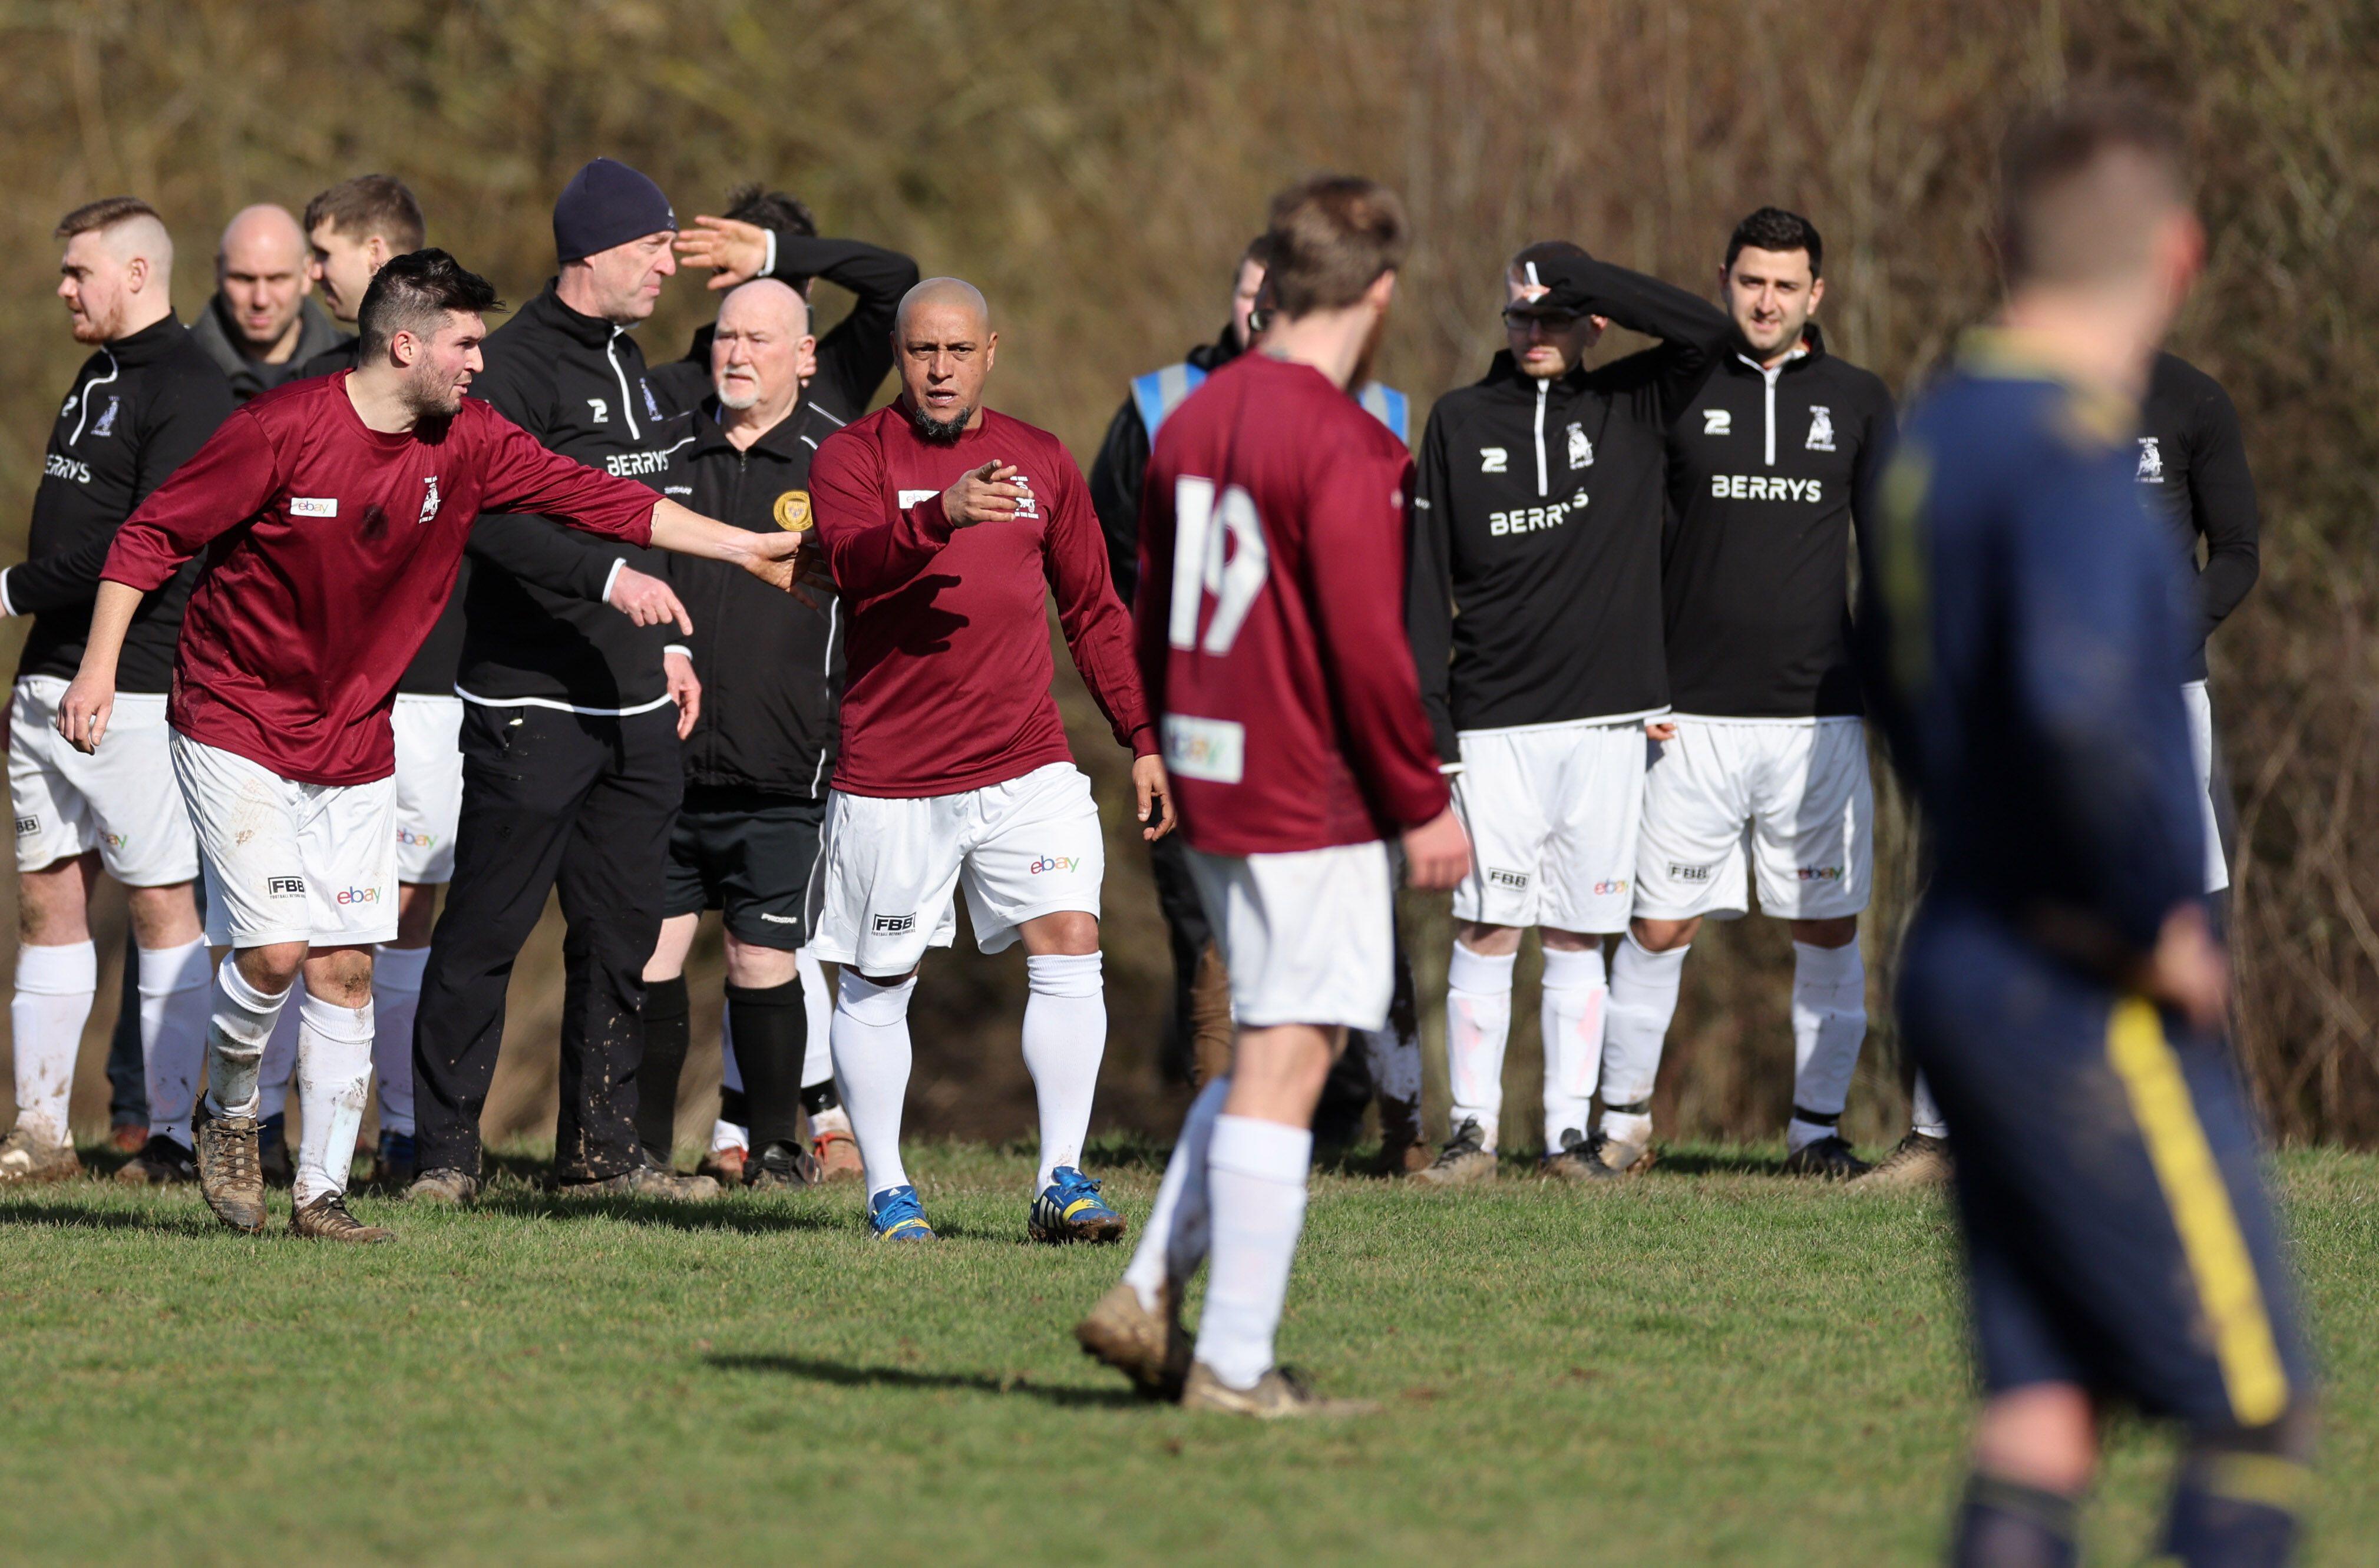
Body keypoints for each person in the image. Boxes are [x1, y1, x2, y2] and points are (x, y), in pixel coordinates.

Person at [57, 248, 804, 1242]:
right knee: (277, 950)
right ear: (404, 344)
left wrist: (742, 547)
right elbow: (148, 538)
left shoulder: (469, 440)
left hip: (354, 734)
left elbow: (603, 502)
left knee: (346, 969)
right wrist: (99, 668)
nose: (478, 365)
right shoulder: (278, 431)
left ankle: (319, 1195)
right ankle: (229, 1112)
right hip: (236, 718)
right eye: (464, 344)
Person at [1859, 97, 2312, 1564]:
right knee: (2247, 1406)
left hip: (1962, 950)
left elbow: (1892, 674)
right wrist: (2151, 917)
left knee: (2039, 1411)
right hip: (2076, 980)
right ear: (2174, 258)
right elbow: (2066, 701)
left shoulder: (1928, 442)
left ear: (1999, 250)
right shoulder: (2071, 456)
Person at [1075, 176, 1469, 1415]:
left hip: (1215, 780)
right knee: (1293, 1063)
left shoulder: (1188, 421)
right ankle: (1236, 1363)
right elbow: (1368, 646)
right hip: (1311, 792)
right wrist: (1422, 799)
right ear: (1381, 293)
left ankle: (1146, 1290)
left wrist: (1162, 742)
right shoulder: (1349, 439)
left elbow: (1145, 614)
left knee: (1260, 1052)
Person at [805, 276, 1171, 1243]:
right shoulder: (850, 456)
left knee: (1070, 941)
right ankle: (888, 1188)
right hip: (892, 774)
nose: (937, 369)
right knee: (877, 980)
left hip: (1024, 765)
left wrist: (1142, 738)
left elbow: (1094, 610)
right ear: (898, 354)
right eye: (921, 350)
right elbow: (846, 562)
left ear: (989, 353)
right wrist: (940, 517)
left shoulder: (1041, 460)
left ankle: (1060, 1175)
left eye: (956, 352)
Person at [1861, 344, 2265, 1192]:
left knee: (2169, 904)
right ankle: (1937, 1138)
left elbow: (2235, 549)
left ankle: (2187, 1126)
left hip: (2159, 699)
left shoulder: (2193, 398)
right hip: (2011, 705)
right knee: (1968, 889)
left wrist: (2150, 640)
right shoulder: (1991, 399)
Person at [408, 158, 731, 1203]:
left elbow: (658, 509)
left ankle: (599, 1156)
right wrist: (603, 574)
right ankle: (444, 1157)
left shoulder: (635, 364)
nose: (665, 264)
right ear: (591, 252)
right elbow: (488, 519)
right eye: (651, 246)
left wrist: (672, 645)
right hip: (529, 703)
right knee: (486, 934)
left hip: (637, 706)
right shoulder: (511, 369)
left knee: (623, 936)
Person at [1091, 236, 1428, 1171]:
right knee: (1238, 960)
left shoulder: (1377, 416)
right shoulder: (1167, 409)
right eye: (1249, 292)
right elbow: (1110, 574)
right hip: (1227, 733)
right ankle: (1240, 1129)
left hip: (1302, 733)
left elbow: (1405, 587)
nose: (1259, 312)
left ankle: (1358, 1121)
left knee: (1326, 962)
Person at [1404, 240, 1726, 1185]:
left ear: (1589, 322)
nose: (1534, 331)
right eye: (1520, 315)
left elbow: (1708, 332)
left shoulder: (1629, 402)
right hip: (1494, 722)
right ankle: (1470, 1131)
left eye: (1553, 315)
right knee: (1486, 927)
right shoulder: (1459, 421)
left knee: (1580, 934)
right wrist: (1432, 727)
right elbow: (1421, 586)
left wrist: (1586, 278)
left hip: (1609, 720)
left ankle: (1567, 1137)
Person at [1587, 208, 1896, 1182]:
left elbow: (1889, 560)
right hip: (1687, 713)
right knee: (1658, 924)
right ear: (1721, 279)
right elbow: (1580, 283)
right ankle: (1621, 1127)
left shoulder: (1856, 399)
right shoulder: (1680, 383)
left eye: (1784, 284)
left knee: (1827, 924)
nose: (1764, 301)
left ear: (1816, 294)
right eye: (1748, 281)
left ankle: (1814, 1133)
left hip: (1819, 716)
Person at [0, 197, 234, 1186]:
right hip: (46, 683)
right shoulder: (97, 370)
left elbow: (152, 545)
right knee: (46, 897)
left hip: (132, 688)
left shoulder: (191, 389)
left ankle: (175, 1137)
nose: (62, 289)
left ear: (137, 274)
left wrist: (14, 590)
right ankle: (41, 1132)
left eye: (78, 272)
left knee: (161, 907)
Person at [634, 277, 861, 1187]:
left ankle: (775, 1147)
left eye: (760, 339)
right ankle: (640, 1149)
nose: (736, 353)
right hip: (661, 763)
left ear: (804, 356)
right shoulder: (664, 447)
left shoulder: (838, 463)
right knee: (650, 950)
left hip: (782, 764)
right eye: (727, 336)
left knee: (763, 955)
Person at [243, 173, 441, 1189]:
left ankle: (397, 1131)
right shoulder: (312, 394)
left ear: (378, 256)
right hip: (299, 713)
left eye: (322, 254)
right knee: (289, 929)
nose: (309, 274)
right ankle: (255, 1122)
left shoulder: (451, 395)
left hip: (430, 700)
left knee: (393, 924)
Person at [189, 205, 343, 401]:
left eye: (277, 279)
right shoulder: (171, 372)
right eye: (244, 279)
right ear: (218, 272)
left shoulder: (357, 371)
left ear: (307, 274)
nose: (260, 300)